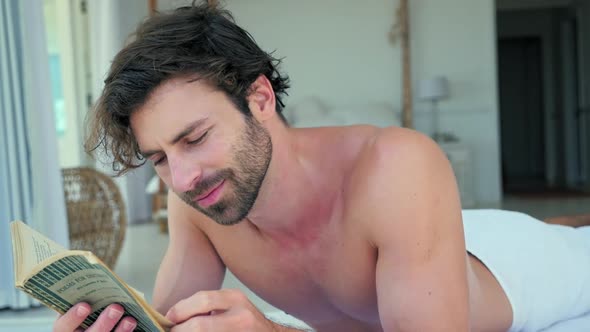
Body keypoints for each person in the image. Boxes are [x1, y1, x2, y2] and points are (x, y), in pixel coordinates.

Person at [54, 3, 590, 332]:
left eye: (195, 138)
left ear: (260, 97)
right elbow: (168, 326)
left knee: (569, 241)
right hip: (420, 243)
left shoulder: (396, 167)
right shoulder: (198, 200)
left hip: (515, 264)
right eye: (161, 158)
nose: (184, 176)